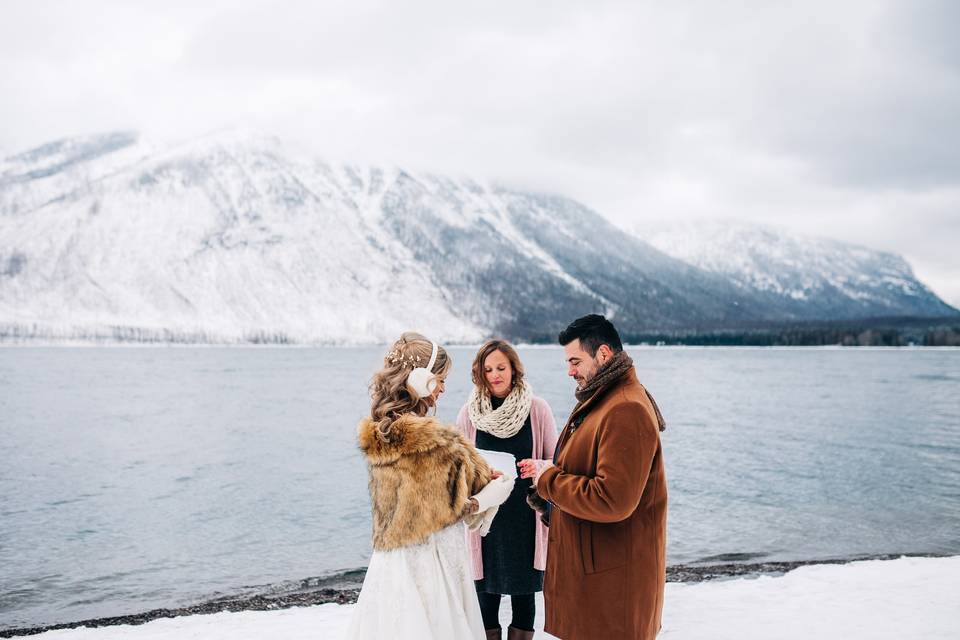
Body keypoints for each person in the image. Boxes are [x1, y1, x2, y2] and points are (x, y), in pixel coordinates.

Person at [347, 332, 515, 640]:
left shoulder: (381, 432)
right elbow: (444, 510)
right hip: (432, 560)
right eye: (439, 379)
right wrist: (484, 499)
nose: (442, 388)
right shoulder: (431, 440)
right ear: (420, 379)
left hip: (391, 561)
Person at [519, 315, 667, 640]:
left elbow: (612, 499)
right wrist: (549, 503)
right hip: (598, 588)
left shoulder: (624, 409)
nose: (569, 371)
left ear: (603, 354)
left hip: (612, 597)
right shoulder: (603, 399)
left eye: (575, 361)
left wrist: (549, 481)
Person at [456, 340, 559, 640]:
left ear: (514, 369)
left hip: (525, 517)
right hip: (486, 520)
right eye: (488, 369)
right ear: (480, 373)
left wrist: (537, 468)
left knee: (524, 599)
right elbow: (457, 465)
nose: (495, 374)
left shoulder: (537, 409)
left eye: (501, 367)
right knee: (484, 598)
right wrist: (481, 473)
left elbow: (557, 461)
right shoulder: (469, 413)